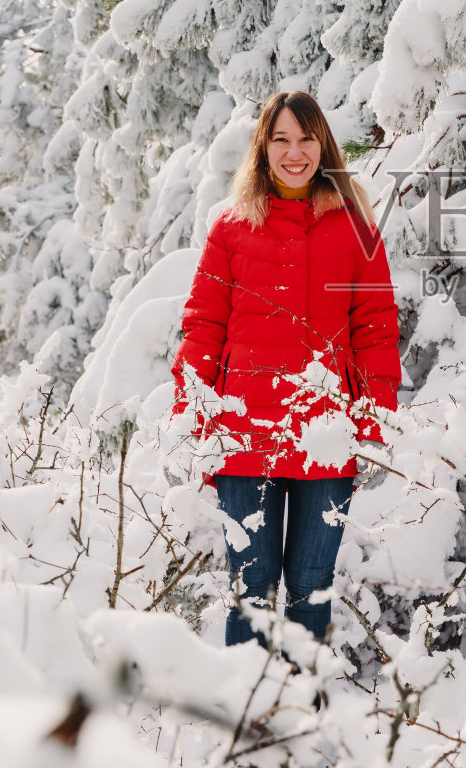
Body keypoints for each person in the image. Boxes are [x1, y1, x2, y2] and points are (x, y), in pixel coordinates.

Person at [171, 91, 401, 648]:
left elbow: (375, 328)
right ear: (262, 148)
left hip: (326, 433)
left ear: (323, 145)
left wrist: (374, 423)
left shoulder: (355, 227)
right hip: (243, 432)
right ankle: (248, 725)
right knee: (251, 589)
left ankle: (303, 719)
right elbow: (204, 326)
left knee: (310, 588)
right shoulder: (230, 226)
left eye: (305, 138)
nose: (294, 152)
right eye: (281, 139)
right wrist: (193, 420)